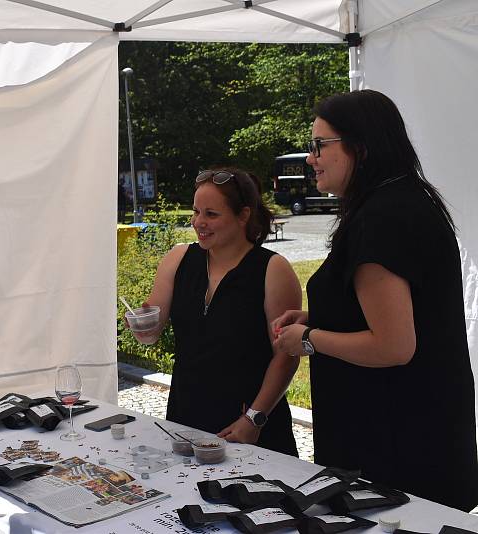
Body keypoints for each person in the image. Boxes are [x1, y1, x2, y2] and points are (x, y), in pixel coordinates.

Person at [273, 89, 478, 511]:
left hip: (394, 446)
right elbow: (404, 308)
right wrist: (321, 314)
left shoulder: (381, 219)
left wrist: (309, 338)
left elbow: (394, 345)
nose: (310, 158)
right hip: (419, 431)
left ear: (361, 148)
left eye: (319, 146)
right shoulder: (404, 199)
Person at [128, 168, 301, 456]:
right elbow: (150, 333)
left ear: (243, 215)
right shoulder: (178, 259)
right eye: (196, 212)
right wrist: (142, 326)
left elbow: (286, 354)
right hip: (186, 419)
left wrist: (255, 418)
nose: (199, 222)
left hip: (247, 425)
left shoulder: (272, 269)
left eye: (211, 214)